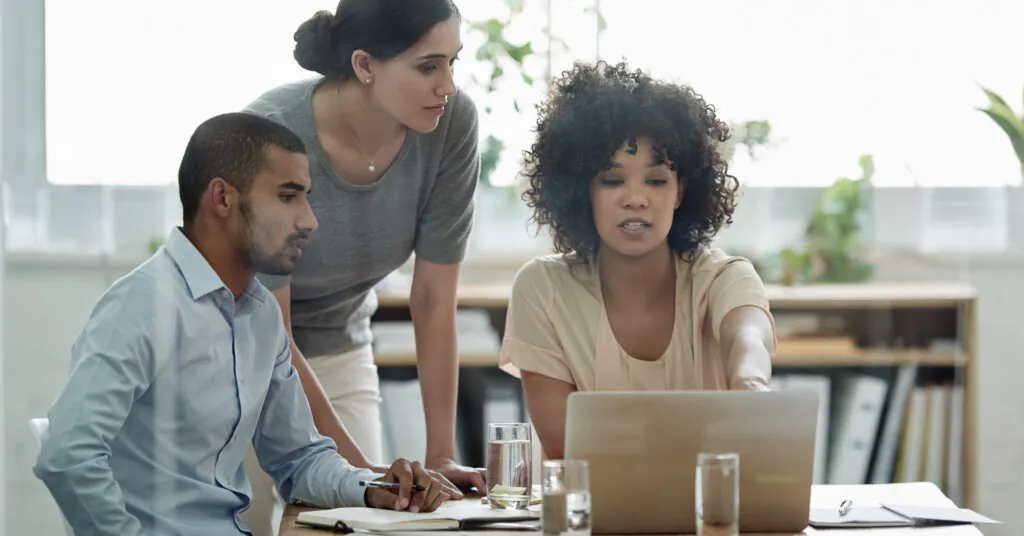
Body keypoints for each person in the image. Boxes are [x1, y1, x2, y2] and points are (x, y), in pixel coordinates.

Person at [33, 113, 452, 536]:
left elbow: (299, 458)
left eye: (306, 197)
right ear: (222, 198)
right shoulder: (140, 305)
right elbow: (67, 454)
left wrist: (372, 488)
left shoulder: (260, 315)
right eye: (289, 197)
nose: (309, 220)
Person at [242, 0, 483, 494]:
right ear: (365, 64)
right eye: (428, 66)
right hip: (236, 350)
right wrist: (358, 474)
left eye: (452, 62)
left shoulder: (450, 125)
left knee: (361, 521)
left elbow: (434, 300)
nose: (448, 86)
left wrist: (441, 454)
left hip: (338, 344)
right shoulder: (271, 133)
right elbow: (269, 328)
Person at [497, 61, 778, 460]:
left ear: (680, 192)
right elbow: (565, 450)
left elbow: (748, 339)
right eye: (612, 180)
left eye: (656, 180)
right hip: (593, 516)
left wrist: (750, 384)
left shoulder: (723, 278)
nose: (635, 198)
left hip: (708, 515)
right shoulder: (543, 288)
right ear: (584, 191)